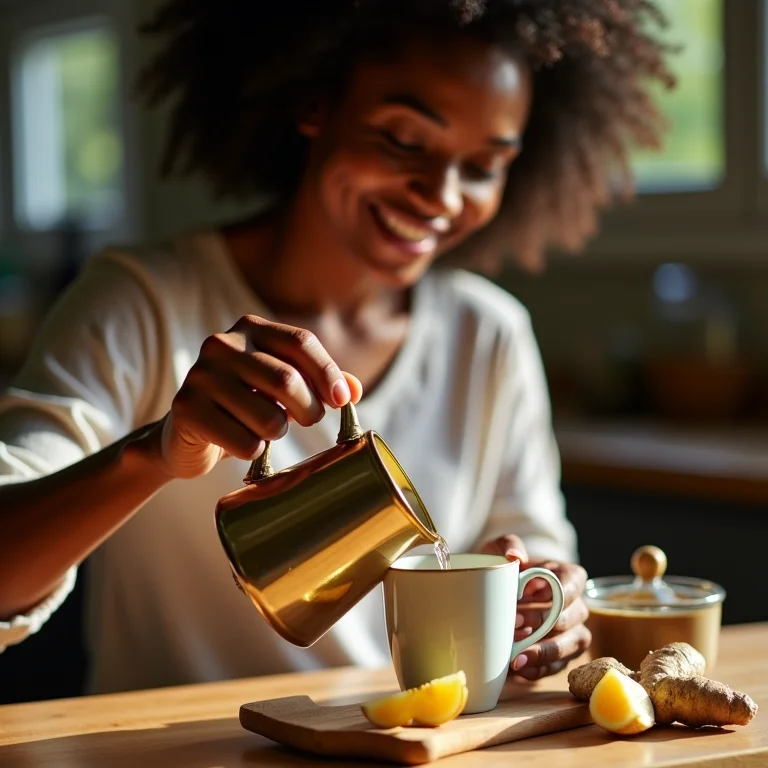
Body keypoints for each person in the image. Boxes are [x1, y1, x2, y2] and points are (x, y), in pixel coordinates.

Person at [0, 0, 671, 695]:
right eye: (405, 140)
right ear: (313, 102)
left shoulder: (489, 333)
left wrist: (553, 602)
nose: (441, 195)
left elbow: (537, 549)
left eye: (483, 165)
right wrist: (156, 452)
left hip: (401, 742)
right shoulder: (142, 301)